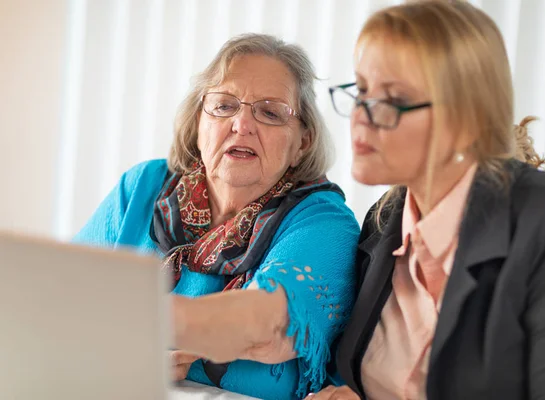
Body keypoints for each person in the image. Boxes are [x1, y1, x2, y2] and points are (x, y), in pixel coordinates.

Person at [308, 1, 545, 399]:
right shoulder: (384, 221)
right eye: (361, 91)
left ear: (466, 120)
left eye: (391, 99)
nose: (361, 115)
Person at [74, 33, 360, 400]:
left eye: (271, 112)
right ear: (198, 123)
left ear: (301, 142)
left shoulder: (322, 222)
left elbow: (266, 323)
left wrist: (143, 328)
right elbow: (62, 305)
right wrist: (126, 359)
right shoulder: (142, 187)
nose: (242, 124)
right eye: (224, 106)